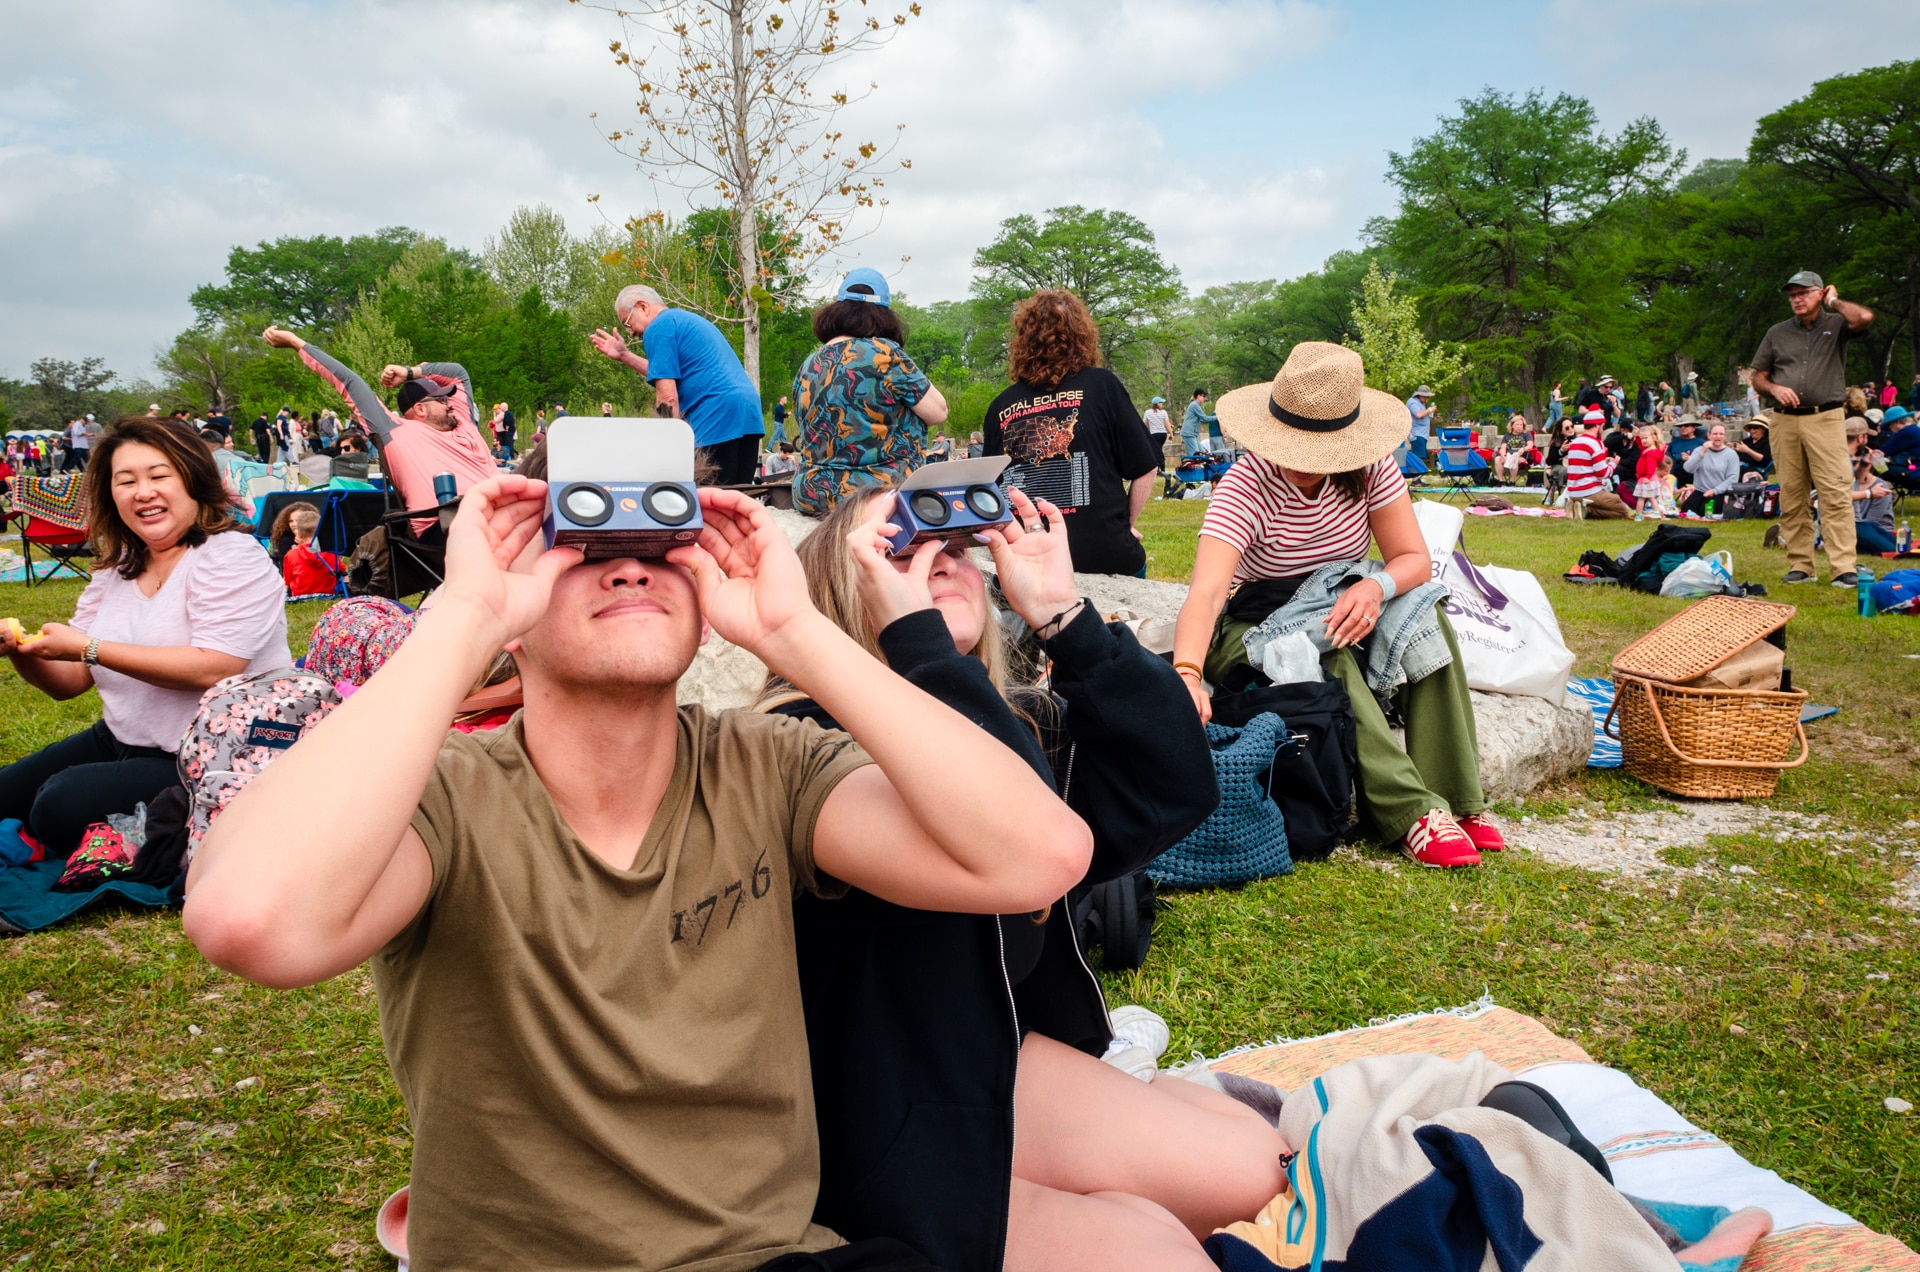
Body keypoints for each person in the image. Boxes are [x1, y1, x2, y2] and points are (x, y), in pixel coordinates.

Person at [178, 473, 1146, 1272]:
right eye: (581, 541)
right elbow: (253, 923)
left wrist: (794, 630)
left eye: (664, 540)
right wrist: (462, 617)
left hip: (778, 1255)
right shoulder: (445, 798)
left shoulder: (765, 765)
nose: (631, 563)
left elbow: (1038, 858)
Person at [762, 485, 1276, 1270]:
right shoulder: (805, 743)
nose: (940, 561)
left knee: (1256, 1160)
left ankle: (1125, 1124)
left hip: (997, 1059)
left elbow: (1177, 787)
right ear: (835, 589)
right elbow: (1024, 845)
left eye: (955, 547)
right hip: (879, 1117)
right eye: (900, 551)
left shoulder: (1007, 718)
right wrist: (919, 644)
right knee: (1171, 1240)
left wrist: (1064, 617)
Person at [1170, 342, 1505, 869]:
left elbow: (1413, 560)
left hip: (1345, 595)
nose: (1305, 463)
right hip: (1258, 621)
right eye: (1294, 446)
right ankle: (1409, 811)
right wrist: (1187, 673)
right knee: (1331, 650)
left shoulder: (1370, 469)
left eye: (1319, 450)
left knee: (1426, 618)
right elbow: (1208, 592)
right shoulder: (1245, 486)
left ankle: (1458, 799)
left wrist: (1375, 588)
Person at [0, 418, 289, 854]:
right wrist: (20, 649)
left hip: (215, 753)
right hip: (120, 738)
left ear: (193, 480)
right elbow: (70, 682)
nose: (143, 492)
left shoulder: (230, 556)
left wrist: (88, 647)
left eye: (158, 476)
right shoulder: (119, 566)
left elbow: (215, 666)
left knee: (57, 809)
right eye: (126, 481)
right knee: (7, 795)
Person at [985, 290, 1162, 577]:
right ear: (1083, 336)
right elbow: (1147, 466)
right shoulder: (1103, 386)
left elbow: (988, 490)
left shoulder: (1001, 406)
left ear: (1023, 341)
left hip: (1032, 562)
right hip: (1106, 555)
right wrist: (1124, 526)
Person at [264, 326, 495, 540]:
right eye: (442, 399)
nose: (450, 404)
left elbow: (458, 373)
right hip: (448, 525)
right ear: (420, 409)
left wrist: (410, 372)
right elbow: (349, 381)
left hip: (499, 510)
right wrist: (296, 342)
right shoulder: (395, 433)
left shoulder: (462, 421)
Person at [1750, 270, 1876, 587]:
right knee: (1792, 494)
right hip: (1784, 420)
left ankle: (1843, 567)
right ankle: (1801, 565)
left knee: (1835, 491)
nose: (1797, 299)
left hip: (1826, 417)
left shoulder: (1837, 323)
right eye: (1792, 294)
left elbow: (1864, 317)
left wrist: (1834, 301)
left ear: (1820, 293)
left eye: (1804, 292)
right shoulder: (1777, 332)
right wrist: (1774, 388)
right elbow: (1758, 377)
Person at [788, 268, 948, 517]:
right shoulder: (886, 353)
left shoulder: (810, 362)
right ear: (883, 314)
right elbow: (938, 412)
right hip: (877, 492)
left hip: (812, 493)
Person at [589, 284, 764, 484]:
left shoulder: (657, 328)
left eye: (627, 323)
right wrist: (624, 355)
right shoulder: (686, 320)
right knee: (739, 496)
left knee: (707, 496)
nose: (630, 333)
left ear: (642, 307)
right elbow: (667, 371)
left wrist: (671, 448)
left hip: (715, 415)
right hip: (748, 414)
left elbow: (668, 397)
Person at [1566, 407, 1629, 519]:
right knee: (1622, 511)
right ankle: (1587, 510)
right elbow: (1603, 474)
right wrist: (1614, 463)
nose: (1602, 429)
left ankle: (1579, 507)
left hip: (1572, 492)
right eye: (1602, 426)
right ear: (1597, 425)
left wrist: (1604, 462)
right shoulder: (1595, 443)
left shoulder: (1575, 442)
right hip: (1589, 491)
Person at [280, 505, 343, 597]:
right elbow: (341, 571)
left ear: (299, 534)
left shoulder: (291, 554)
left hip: (300, 596)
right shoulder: (331, 551)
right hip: (330, 594)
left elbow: (287, 581)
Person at [1679, 423, 1741, 516]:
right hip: (1700, 490)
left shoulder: (1731, 454)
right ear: (1709, 435)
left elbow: (1733, 479)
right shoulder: (1698, 450)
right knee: (1686, 511)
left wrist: (1714, 491)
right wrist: (1702, 454)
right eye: (1715, 434)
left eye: (1721, 434)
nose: (1718, 436)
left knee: (1705, 511)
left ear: (1725, 436)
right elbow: (1688, 469)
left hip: (1720, 492)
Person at [1850, 437, 1898, 556]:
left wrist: (1865, 462)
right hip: (1853, 525)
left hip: (1865, 524)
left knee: (1900, 548)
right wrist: (1869, 494)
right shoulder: (1842, 469)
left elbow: (1874, 520)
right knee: (1892, 550)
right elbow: (1838, 495)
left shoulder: (1879, 485)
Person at [1630, 425, 1665, 517]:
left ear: (1654, 437)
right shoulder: (1649, 449)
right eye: (1642, 438)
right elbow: (1640, 446)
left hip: (1646, 478)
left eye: (1646, 438)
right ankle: (1657, 512)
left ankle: (1638, 514)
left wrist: (1648, 477)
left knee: (1641, 498)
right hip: (1649, 477)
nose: (1643, 440)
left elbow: (1651, 466)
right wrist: (1638, 436)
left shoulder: (1650, 453)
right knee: (1651, 497)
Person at [1493, 414, 1533, 483]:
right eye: (1517, 424)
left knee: (1513, 459)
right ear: (1512, 425)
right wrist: (1503, 453)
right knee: (1497, 459)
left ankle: (1512, 481)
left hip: (1522, 456)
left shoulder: (1526, 434)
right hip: (1509, 455)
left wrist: (1523, 449)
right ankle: (1501, 481)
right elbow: (1503, 448)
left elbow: (1530, 446)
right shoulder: (1507, 435)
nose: (1519, 426)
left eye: (1521, 425)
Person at [1181, 389, 1218, 457]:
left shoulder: (1197, 405)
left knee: (1202, 453)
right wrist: (1217, 417)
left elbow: (1203, 420)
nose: (1204, 398)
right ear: (1198, 396)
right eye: (1203, 396)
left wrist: (1213, 416)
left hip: (1193, 434)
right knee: (1195, 455)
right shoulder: (1194, 405)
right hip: (1189, 433)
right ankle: (1193, 464)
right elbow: (1205, 418)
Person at [1143, 395, 1172, 472]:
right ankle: (1161, 467)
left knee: (1156, 450)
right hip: (1163, 434)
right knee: (1159, 449)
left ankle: (1159, 467)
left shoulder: (1147, 412)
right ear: (1157, 404)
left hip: (1154, 434)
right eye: (1161, 403)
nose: (1162, 404)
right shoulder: (1163, 412)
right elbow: (1167, 424)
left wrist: (1145, 433)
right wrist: (1171, 434)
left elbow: (1144, 424)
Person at [1403, 384, 1436, 451]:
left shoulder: (1421, 403)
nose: (1428, 399)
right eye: (1427, 397)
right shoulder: (1413, 403)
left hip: (1422, 435)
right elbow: (1418, 414)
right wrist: (1430, 410)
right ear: (1421, 395)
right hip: (1417, 435)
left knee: (1421, 455)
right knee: (1419, 456)